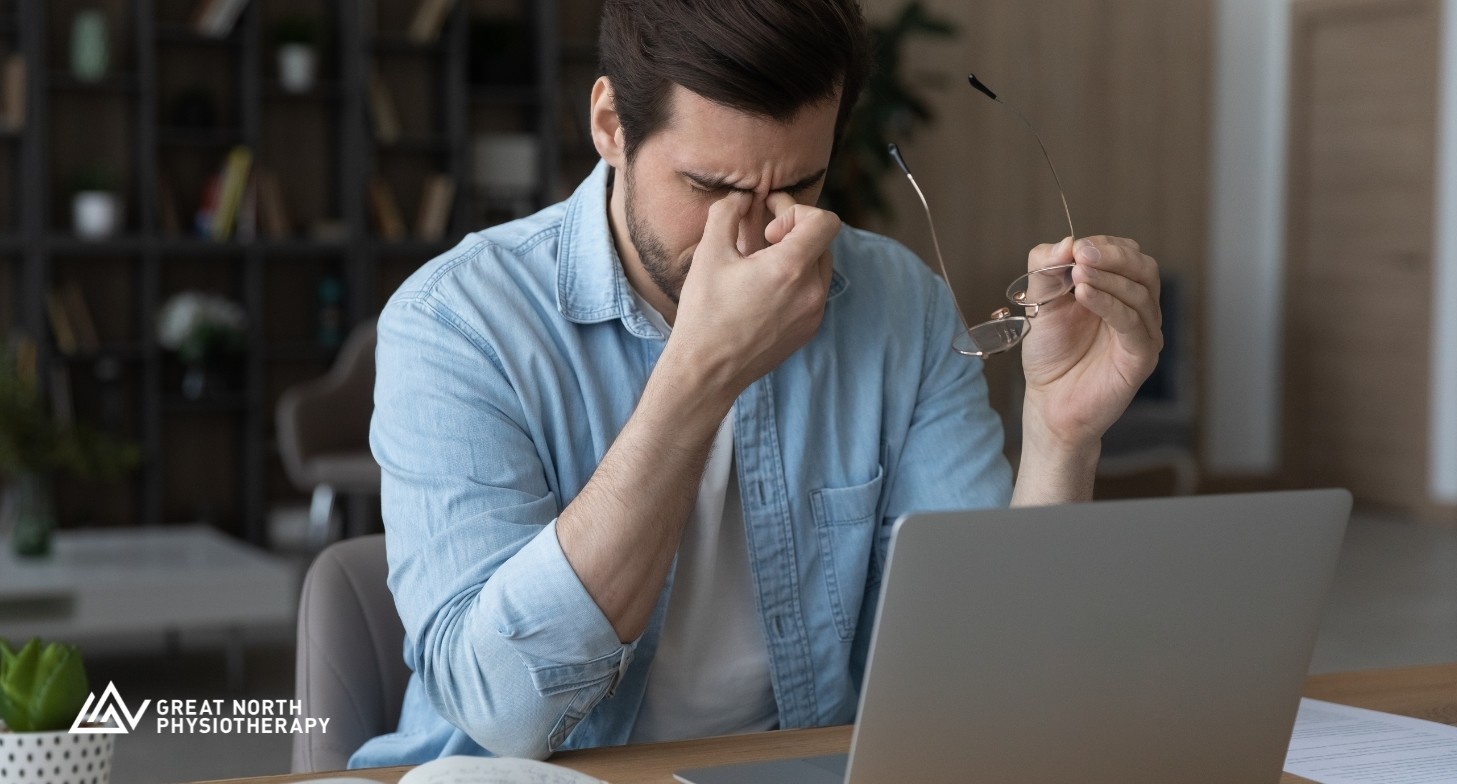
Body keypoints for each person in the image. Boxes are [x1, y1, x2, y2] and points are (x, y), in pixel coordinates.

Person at [349, 0, 1162, 768]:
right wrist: (704, 371)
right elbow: (504, 715)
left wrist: (1061, 436)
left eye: (800, 187)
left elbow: (985, 679)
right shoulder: (457, 322)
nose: (757, 232)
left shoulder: (899, 306)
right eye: (707, 187)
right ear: (609, 125)